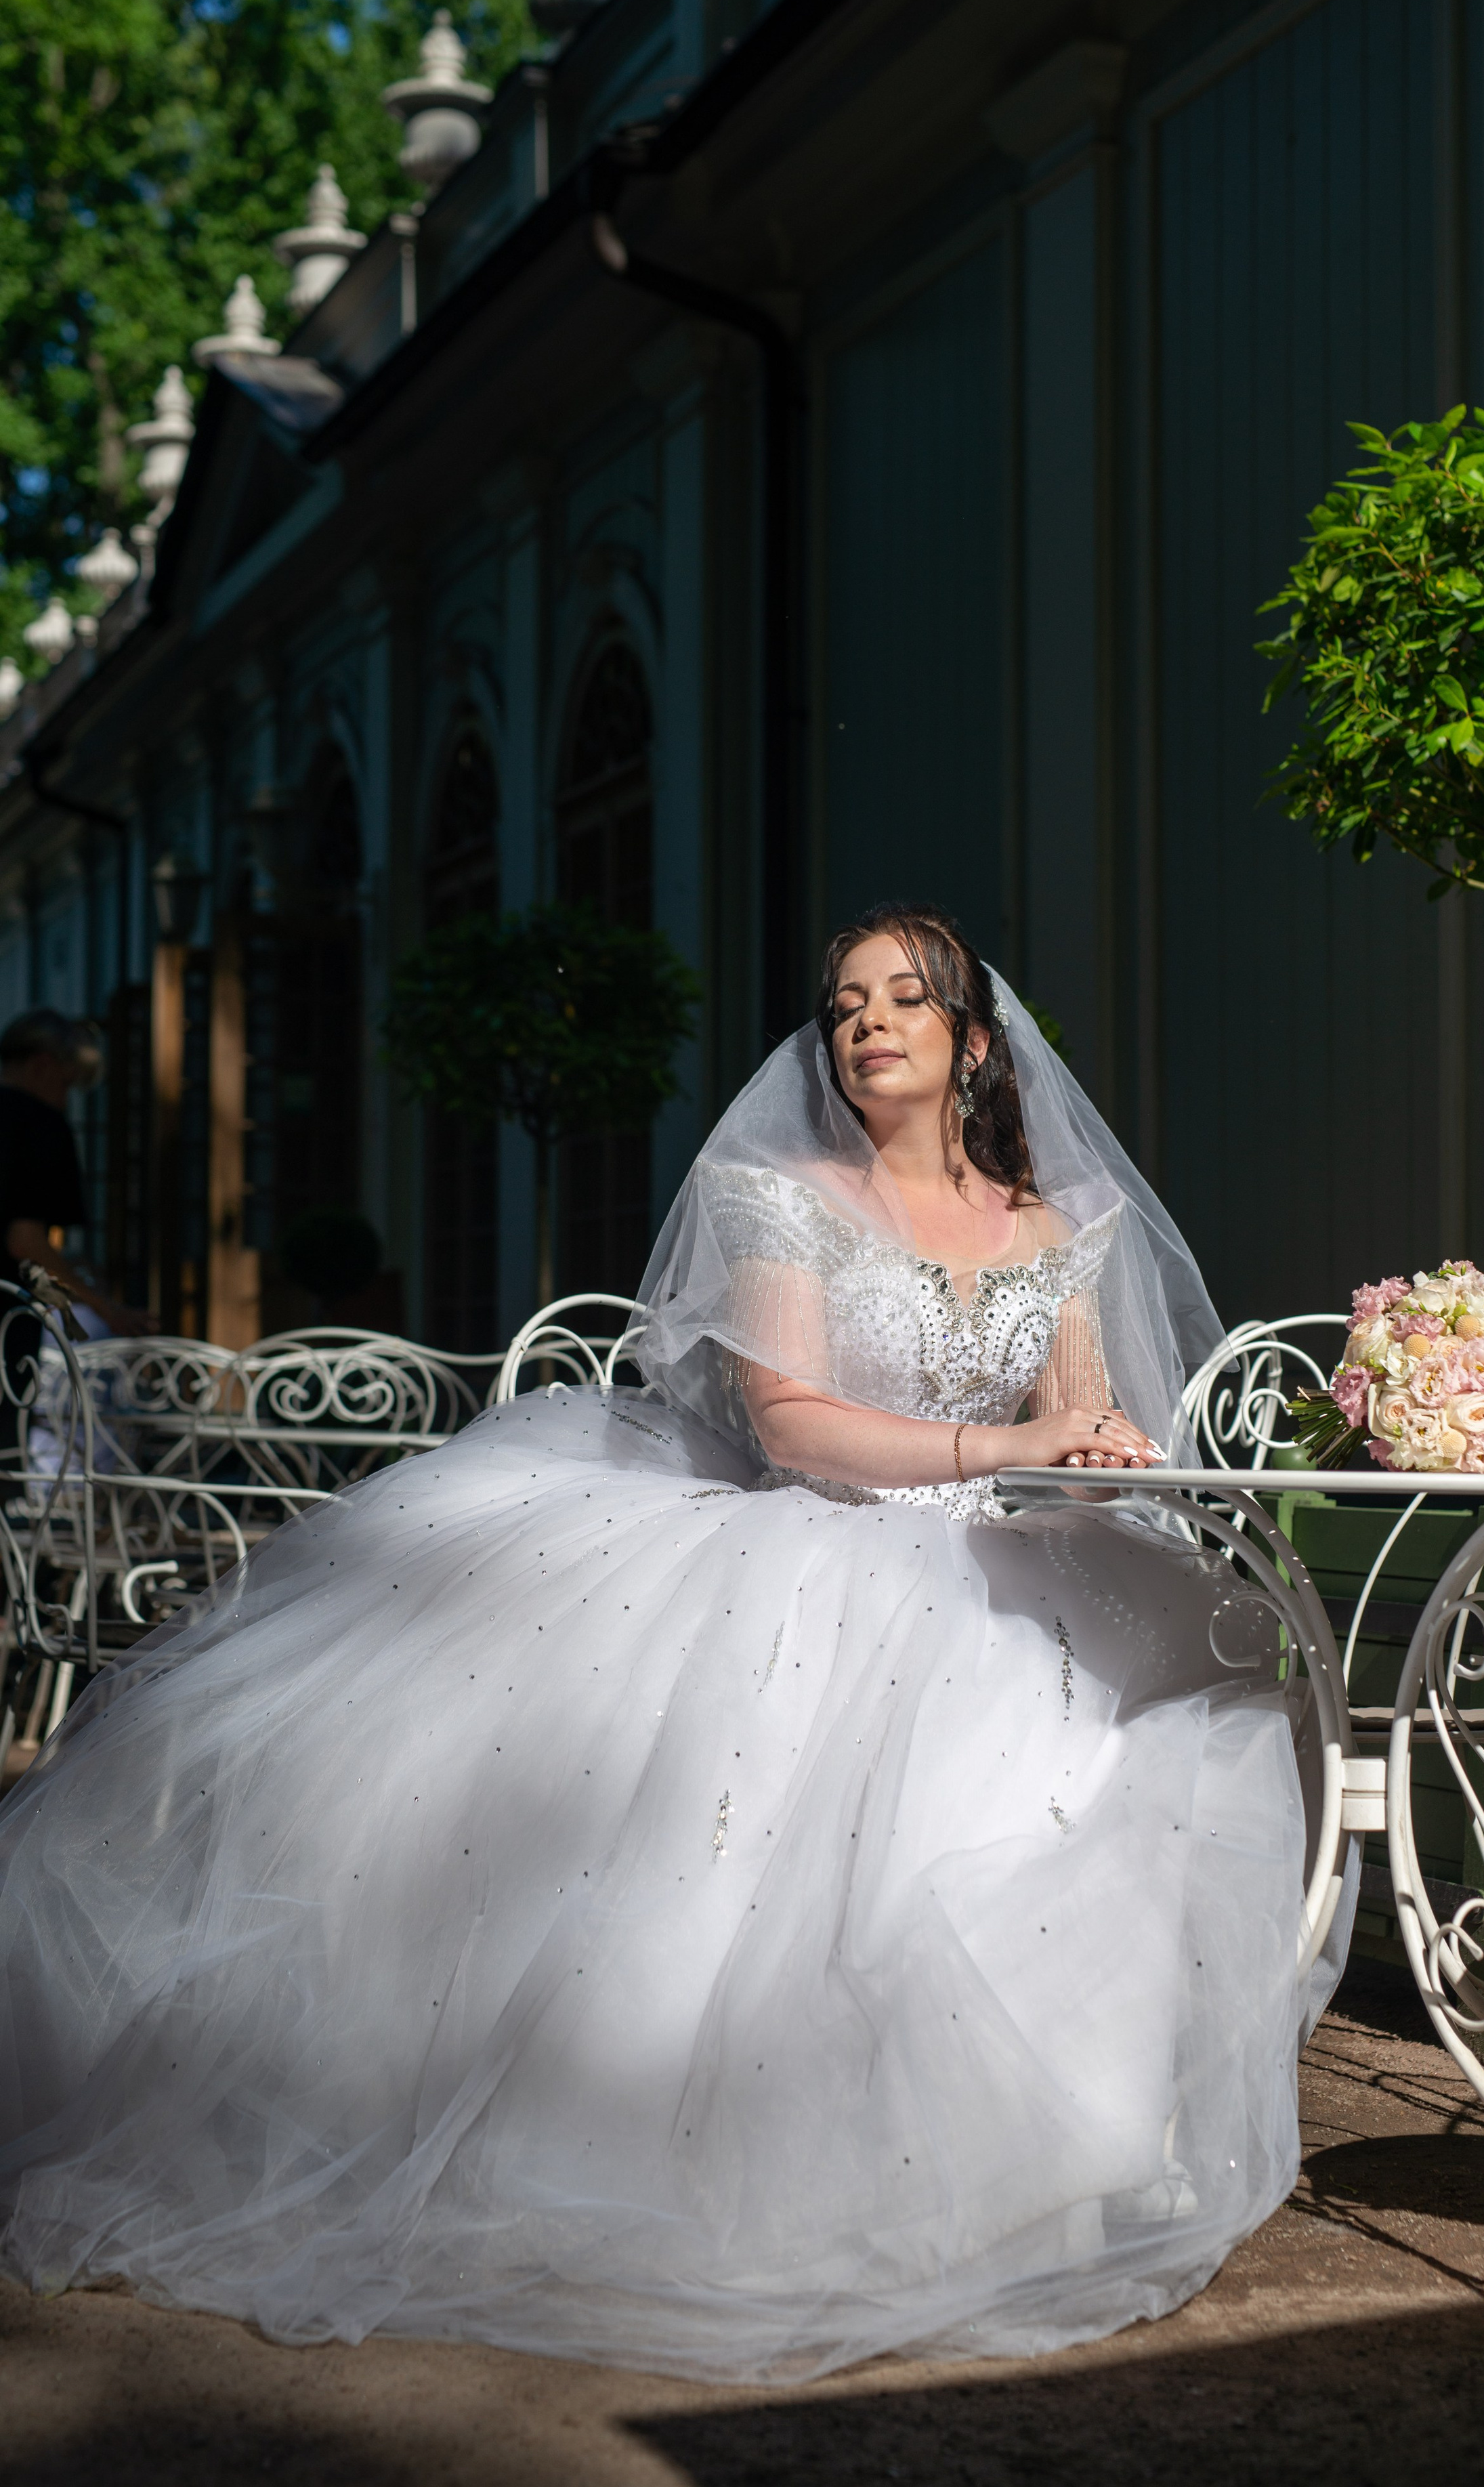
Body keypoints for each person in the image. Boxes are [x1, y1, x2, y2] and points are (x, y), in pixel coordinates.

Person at [0, 907, 1342, 2383]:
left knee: (1181, 1709)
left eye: (904, 999)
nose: (866, 1023)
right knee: (933, 1743)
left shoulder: (1054, 1227)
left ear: (972, 1043)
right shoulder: (783, 1193)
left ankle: (1066, 2140)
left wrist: (1088, 1449)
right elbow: (788, 1426)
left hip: (1018, 1541)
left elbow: (1078, 1412)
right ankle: (852, 2169)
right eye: (842, 1004)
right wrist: (1002, 1436)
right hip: (824, 1543)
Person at [0, 1008, 152, 1340]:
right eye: (66, 1084)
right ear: (42, 1065)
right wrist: (106, 1308)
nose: (66, 1100)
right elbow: (24, 1240)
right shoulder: (39, 1124)